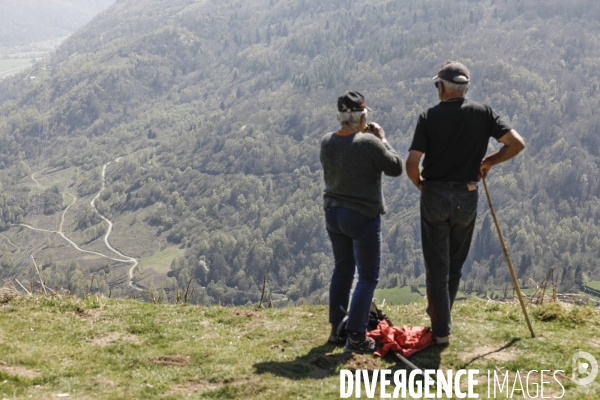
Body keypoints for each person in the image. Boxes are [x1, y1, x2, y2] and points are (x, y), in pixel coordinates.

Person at [406, 61, 525, 344]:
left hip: (434, 194)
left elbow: (412, 163)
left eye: (437, 85)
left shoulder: (428, 117)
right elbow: (516, 143)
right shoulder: (483, 114)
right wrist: (489, 161)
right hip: (466, 195)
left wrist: (421, 183)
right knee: (455, 264)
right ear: (466, 87)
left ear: (443, 87)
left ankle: (440, 328)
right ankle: (442, 319)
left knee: (436, 265)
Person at [320, 91, 403, 353]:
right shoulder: (368, 143)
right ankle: (356, 336)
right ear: (362, 115)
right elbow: (395, 167)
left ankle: (336, 329)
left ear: (340, 116)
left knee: (342, 270)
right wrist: (383, 139)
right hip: (361, 216)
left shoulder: (327, 142)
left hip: (333, 213)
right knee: (367, 277)